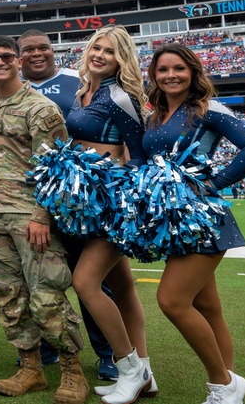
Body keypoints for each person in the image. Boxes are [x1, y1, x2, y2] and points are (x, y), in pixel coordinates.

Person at [144, 44, 245, 404]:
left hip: (202, 218)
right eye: (163, 69)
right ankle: (229, 391)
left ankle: (223, 384)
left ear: (193, 71)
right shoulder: (155, 115)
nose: (171, 75)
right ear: (154, 75)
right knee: (208, 307)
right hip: (174, 220)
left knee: (171, 300)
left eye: (179, 68)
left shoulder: (207, 108)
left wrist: (211, 183)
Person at [0, 36, 88, 404]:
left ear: (18, 61)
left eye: (6, 57)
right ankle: (30, 367)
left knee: (46, 295)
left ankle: (72, 371)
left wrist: (42, 217)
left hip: (30, 218)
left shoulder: (41, 108)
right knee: (8, 294)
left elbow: (58, 167)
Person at [58, 26, 153, 404]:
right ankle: (146, 372)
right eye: (96, 47)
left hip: (109, 204)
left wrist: (119, 193)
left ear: (121, 59)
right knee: (125, 289)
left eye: (110, 52)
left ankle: (129, 369)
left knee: (85, 283)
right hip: (83, 203)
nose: (99, 55)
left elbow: (139, 155)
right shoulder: (83, 92)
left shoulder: (121, 96)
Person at [18, 29, 117, 381]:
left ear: (53, 50)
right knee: (40, 279)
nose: (37, 54)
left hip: (77, 201)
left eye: (43, 47)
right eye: (28, 50)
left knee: (88, 279)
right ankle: (46, 347)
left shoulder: (78, 82)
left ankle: (109, 353)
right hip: (30, 202)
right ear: (19, 57)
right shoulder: (9, 91)